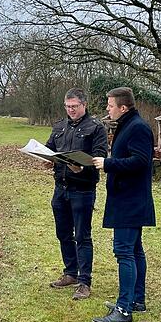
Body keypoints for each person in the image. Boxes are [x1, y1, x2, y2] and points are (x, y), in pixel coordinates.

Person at [91, 87, 155, 322]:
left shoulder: (137, 127)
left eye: (110, 105)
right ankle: (136, 300)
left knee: (124, 252)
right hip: (128, 199)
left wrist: (108, 163)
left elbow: (141, 161)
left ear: (123, 107)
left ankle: (124, 309)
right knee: (135, 250)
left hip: (130, 201)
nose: (108, 109)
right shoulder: (130, 124)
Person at [46, 88, 109, 300]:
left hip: (82, 189)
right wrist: (46, 159)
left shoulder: (96, 127)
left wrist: (83, 168)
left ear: (84, 105)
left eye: (74, 107)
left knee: (82, 235)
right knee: (63, 233)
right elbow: (50, 148)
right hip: (60, 187)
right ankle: (70, 273)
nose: (71, 110)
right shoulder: (59, 126)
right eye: (68, 107)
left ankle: (84, 281)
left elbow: (99, 157)